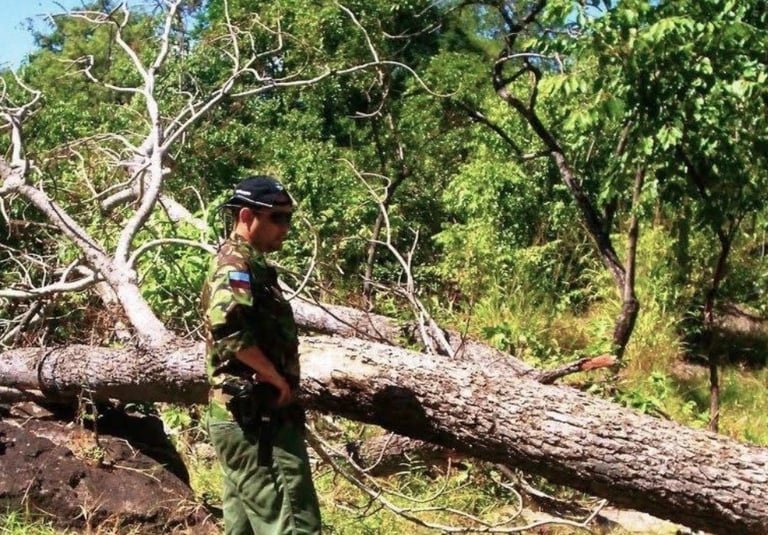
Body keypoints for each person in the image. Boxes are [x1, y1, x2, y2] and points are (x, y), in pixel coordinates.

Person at [201, 175, 321, 535]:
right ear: (246, 216)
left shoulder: (251, 264)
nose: (285, 227)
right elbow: (228, 328)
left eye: (289, 218)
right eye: (277, 218)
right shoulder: (235, 265)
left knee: (245, 528)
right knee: (293, 525)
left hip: (247, 421)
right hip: (256, 419)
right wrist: (273, 377)